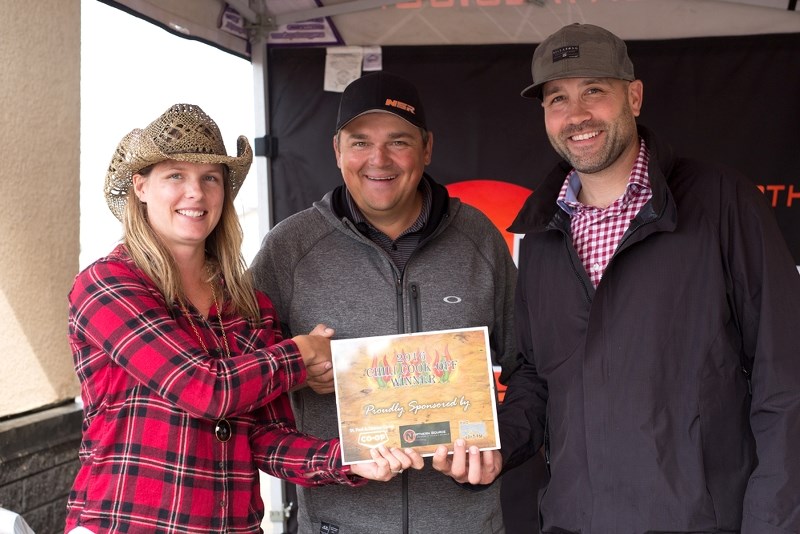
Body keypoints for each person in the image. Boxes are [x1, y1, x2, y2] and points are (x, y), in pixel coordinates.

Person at [433, 23, 800, 533]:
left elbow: (786, 379)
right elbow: (538, 378)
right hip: (576, 521)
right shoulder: (539, 234)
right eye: (557, 98)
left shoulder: (720, 203)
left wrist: (773, 524)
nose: (576, 114)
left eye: (594, 91)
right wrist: (493, 444)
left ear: (634, 96)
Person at [65, 104, 423, 534]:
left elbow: (265, 439)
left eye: (209, 178)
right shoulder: (108, 284)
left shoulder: (246, 305)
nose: (195, 192)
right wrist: (301, 354)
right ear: (141, 187)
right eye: (175, 175)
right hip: (126, 524)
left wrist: (353, 457)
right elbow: (204, 388)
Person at [250, 72, 518, 534]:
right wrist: (294, 366)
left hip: (465, 523)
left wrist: (502, 446)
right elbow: (245, 383)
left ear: (427, 148)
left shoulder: (479, 239)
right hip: (339, 523)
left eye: (398, 141)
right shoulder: (289, 249)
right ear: (337, 151)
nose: (378, 159)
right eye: (359, 142)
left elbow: (529, 364)